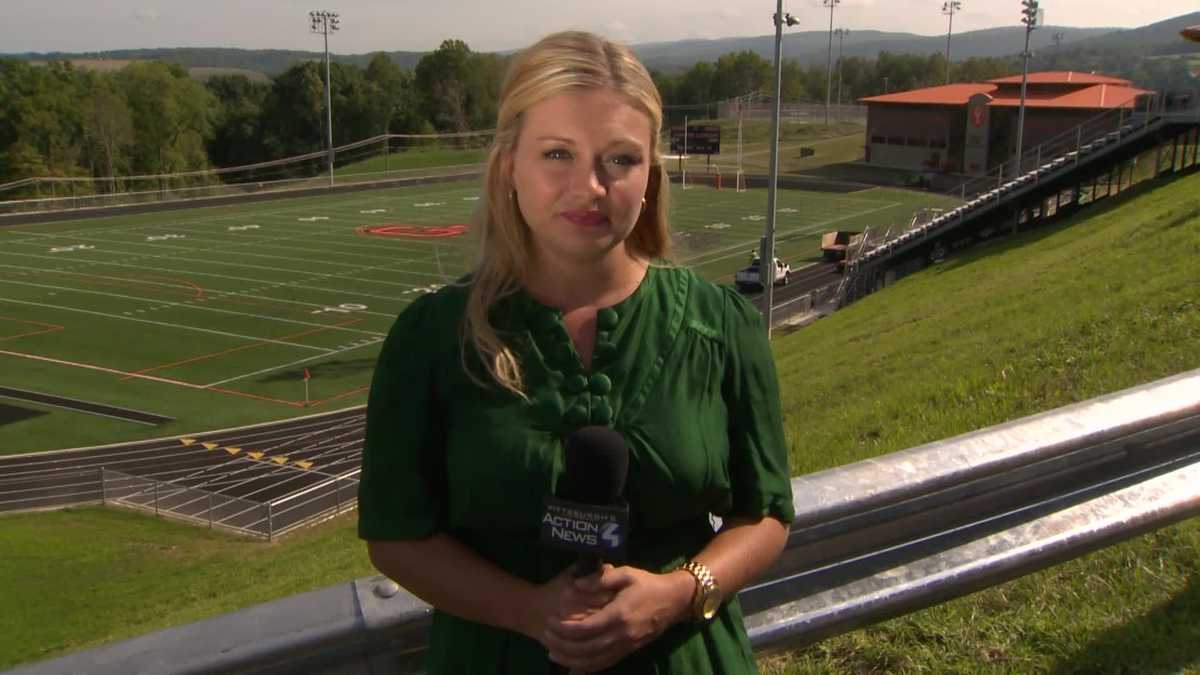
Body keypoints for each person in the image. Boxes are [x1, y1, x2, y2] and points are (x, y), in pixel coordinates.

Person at [358, 30, 794, 674]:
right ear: (510, 164)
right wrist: (529, 610)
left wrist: (679, 592)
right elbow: (396, 537)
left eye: (619, 159)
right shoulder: (431, 338)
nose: (589, 186)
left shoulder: (719, 325)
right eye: (557, 153)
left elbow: (766, 513)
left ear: (650, 174)